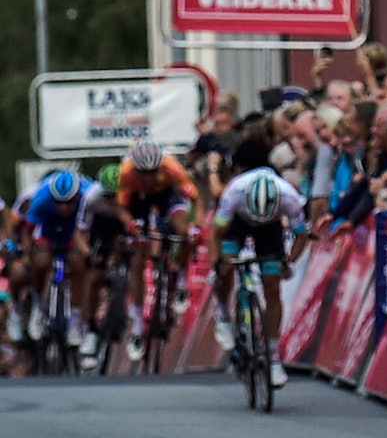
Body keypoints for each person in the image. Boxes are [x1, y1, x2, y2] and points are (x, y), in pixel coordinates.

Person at [209, 168, 311, 388]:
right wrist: (217, 264)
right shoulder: (234, 192)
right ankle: (224, 315)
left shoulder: (289, 198)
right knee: (225, 267)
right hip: (237, 223)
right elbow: (215, 234)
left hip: (270, 230)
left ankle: (273, 358)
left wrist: (288, 262)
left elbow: (302, 236)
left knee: (272, 287)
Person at [116, 139, 202, 362]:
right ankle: (136, 324)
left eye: (153, 171)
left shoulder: (171, 167)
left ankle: (181, 282)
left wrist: (197, 228)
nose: (148, 176)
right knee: (138, 257)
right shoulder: (126, 173)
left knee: (182, 230)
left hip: (167, 194)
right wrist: (132, 226)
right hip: (138, 200)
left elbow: (195, 199)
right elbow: (122, 209)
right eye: (143, 172)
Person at [22, 170, 90, 344]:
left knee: (79, 264)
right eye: (59, 203)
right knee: (41, 261)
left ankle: (74, 319)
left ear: (77, 197)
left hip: (75, 229)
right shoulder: (41, 198)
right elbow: (27, 232)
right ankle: (38, 306)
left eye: (69, 203)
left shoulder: (88, 195)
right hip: (49, 227)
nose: (64, 208)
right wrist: (28, 255)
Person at [76, 164, 127, 367]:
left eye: (115, 195)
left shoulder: (132, 193)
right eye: (107, 195)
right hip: (101, 226)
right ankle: (90, 329)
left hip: (123, 222)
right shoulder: (91, 196)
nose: (110, 200)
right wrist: (89, 253)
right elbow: (80, 233)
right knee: (94, 275)